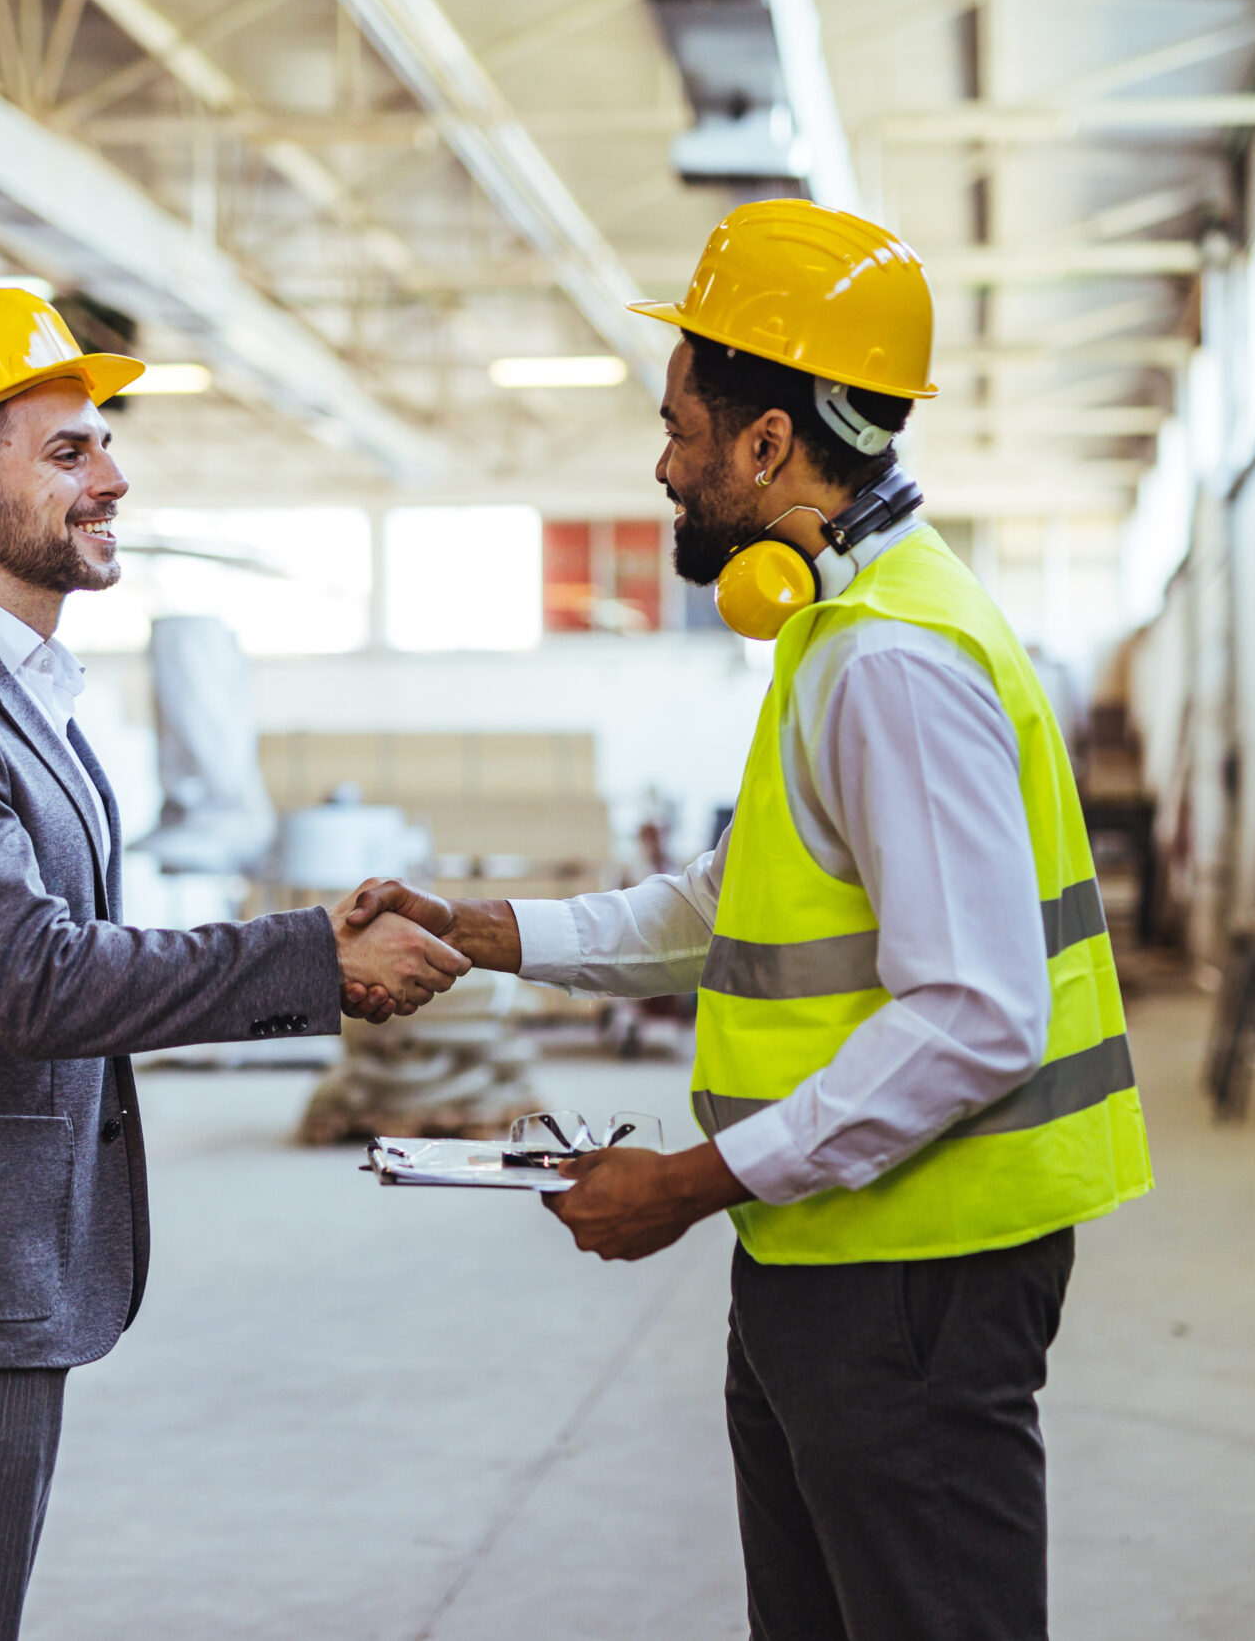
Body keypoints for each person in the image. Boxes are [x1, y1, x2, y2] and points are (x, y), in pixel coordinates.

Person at [346, 201, 1154, 1641]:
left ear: (769, 441)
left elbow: (976, 1015)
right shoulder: (845, 630)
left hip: (910, 1278)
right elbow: (736, 906)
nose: (665, 466)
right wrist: (487, 930)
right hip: (831, 1258)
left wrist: (696, 1180)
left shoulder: (892, 660)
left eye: (680, 427)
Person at [0, 287, 468, 1641]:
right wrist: (311, 954)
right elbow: (33, 978)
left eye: (103, 445)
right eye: (70, 451)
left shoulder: (18, 697)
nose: (114, 475)